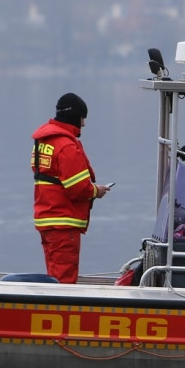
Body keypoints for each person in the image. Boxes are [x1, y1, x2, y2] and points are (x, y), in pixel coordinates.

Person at [32, 92, 109, 283]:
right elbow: (78, 188)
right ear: (75, 116)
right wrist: (97, 191)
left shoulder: (42, 141)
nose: (83, 124)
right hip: (64, 223)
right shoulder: (66, 145)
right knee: (64, 280)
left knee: (54, 276)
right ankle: (61, 312)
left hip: (47, 219)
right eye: (82, 118)